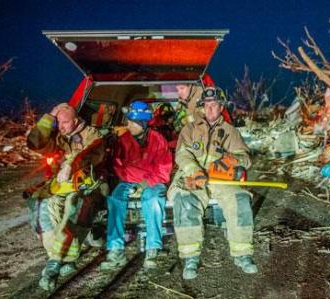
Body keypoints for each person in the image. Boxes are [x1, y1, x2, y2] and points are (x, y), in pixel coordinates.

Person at [168, 87, 257, 280]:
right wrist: (195, 171)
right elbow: (182, 155)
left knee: (240, 199)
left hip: (220, 179)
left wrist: (234, 160)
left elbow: (246, 158)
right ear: (201, 107)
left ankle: (242, 254)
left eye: (214, 105)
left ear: (221, 107)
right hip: (194, 177)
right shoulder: (189, 129)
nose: (210, 109)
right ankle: (191, 258)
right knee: (185, 201)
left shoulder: (230, 131)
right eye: (206, 105)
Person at [26, 103, 105, 290]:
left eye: (65, 122)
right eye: (58, 123)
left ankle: (54, 263)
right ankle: (61, 257)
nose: (60, 127)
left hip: (90, 185)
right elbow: (34, 142)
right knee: (42, 207)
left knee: (74, 208)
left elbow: (92, 153)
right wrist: (50, 117)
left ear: (76, 121)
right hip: (60, 187)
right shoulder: (58, 138)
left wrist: (72, 164)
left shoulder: (93, 134)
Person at [100, 101, 173, 271]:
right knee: (115, 199)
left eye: (132, 122)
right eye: (128, 121)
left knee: (153, 200)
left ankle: (152, 248)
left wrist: (144, 183)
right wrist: (133, 182)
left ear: (142, 123)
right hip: (128, 181)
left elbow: (163, 170)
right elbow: (118, 166)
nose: (128, 125)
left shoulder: (157, 140)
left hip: (153, 182)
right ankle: (115, 249)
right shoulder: (123, 140)